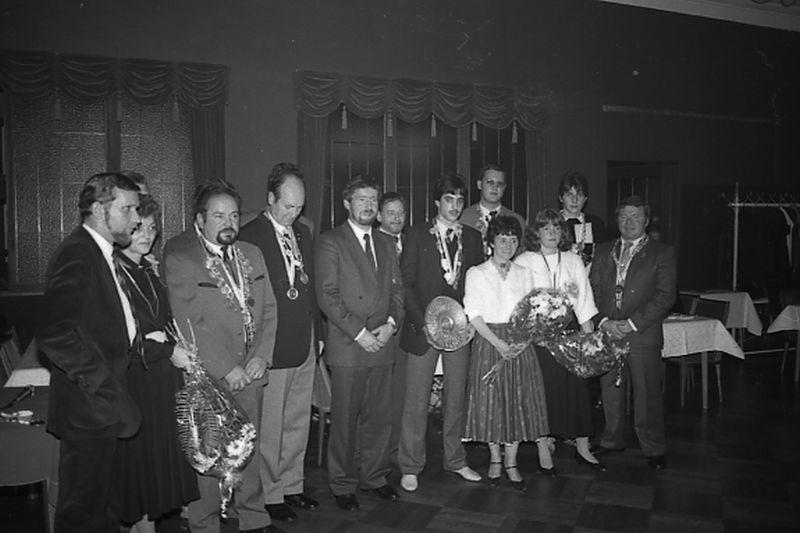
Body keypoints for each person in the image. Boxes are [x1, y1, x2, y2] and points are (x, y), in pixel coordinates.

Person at [164, 180, 281, 533]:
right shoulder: (182, 260)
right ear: (200, 220)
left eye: (233, 215)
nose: (228, 222)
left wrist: (261, 357)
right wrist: (228, 368)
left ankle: (253, 518)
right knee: (208, 453)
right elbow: (190, 323)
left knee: (249, 448)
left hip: (251, 371)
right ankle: (205, 523)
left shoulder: (252, 254)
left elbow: (270, 310)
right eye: (218, 215)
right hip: (209, 377)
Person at [37, 172, 142, 533]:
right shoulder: (78, 253)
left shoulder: (99, 251)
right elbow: (54, 333)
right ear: (99, 209)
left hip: (103, 408)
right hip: (89, 410)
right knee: (83, 514)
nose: (136, 218)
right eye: (127, 209)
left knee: (104, 509)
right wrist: (102, 384)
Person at [314, 175, 405, 511]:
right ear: (346, 203)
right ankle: (342, 484)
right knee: (345, 421)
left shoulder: (386, 242)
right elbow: (327, 295)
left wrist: (391, 325)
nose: (368, 205)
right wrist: (360, 333)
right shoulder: (330, 241)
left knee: (379, 418)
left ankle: (375, 477)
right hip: (349, 345)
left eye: (372, 199)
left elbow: (398, 291)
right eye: (361, 199)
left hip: (382, 343)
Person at [238, 163, 319, 524]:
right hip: (272, 344)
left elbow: (309, 287)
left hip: (304, 339)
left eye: (299, 207)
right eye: (287, 206)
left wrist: (318, 337)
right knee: (271, 424)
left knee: (298, 419)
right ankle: (270, 494)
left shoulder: (303, 232)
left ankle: (292, 484)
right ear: (270, 198)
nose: (293, 214)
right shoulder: (249, 235)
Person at [116, 194, 200, 533]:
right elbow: (123, 339)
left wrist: (177, 343)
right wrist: (166, 350)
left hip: (160, 383)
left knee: (152, 479)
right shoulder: (115, 272)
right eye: (138, 228)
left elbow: (160, 323)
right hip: (138, 383)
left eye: (152, 229)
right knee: (141, 475)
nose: (147, 236)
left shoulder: (146, 271)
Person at [397, 174, 484, 493]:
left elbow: (478, 284)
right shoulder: (417, 234)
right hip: (423, 330)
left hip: (460, 330)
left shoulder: (472, 237)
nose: (455, 206)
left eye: (460, 200)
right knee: (416, 400)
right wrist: (424, 323)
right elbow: (406, 284)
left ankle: (456, 460)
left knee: (456, 398)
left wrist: (471, 321)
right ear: (437, 202)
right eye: (449, 199)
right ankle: (410, 466)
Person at [462, 215, 552, 490]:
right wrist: (498, 344)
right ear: (491, 241)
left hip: (519, 343)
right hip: (489, 343)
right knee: (492, 403)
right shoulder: (476, 273)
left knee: (516, 402)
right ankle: (495, 458)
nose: (508, 245)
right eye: (502, 239)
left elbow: (532, 312)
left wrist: (521, 342)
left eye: (513, 240)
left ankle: (511, 462)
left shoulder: (524, 273)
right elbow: (474, 314)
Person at [514, 208, 606, 474]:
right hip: (539, 337)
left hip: (570, 333)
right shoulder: (525, 260)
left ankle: (583, 446)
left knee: (577, 391)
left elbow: (584, 299)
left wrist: (588, 337)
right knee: (543, 392)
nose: (552, 233)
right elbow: (519, 303)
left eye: (556, 228)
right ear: (536, 232)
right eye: (546, 228)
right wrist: (531, 334)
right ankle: (544, 445)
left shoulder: (573, 260)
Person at [589, 196, 676, 470]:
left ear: (646, 221)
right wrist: (603, 322)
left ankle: (653, 447)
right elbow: (593, 290)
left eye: (635, 217)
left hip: (642, 333)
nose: (629, 222)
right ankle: (611, 439)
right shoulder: (603, 250)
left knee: (647, 392)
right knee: (610, 389)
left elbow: (665, 296)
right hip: (609, 332)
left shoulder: (662, 252)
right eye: (624, 217)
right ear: (617, 220)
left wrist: (633, 323)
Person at [375, 191, 407, 463]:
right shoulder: (371, 243)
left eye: (400, 213)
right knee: (379, 397)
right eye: (390, 213)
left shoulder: (412, 242)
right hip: (380, 330)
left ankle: (395, 450)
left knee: (400, 394)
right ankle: (376, 451)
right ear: (379, 216)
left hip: (405, 329)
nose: (396, 218)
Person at [459, 164, 525, 256]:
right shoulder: (463, 218)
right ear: (479, 185)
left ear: (504, 188)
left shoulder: (517, 220)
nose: (495, 187)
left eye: (499, 184)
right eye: (490, 182)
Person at [558, 171, 606, 267]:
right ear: (561, 198)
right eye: (570, 194)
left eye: (579, 195)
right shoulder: (551, 223)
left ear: (585, 198)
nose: (574, 200)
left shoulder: (596, 224)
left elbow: (602, 258)